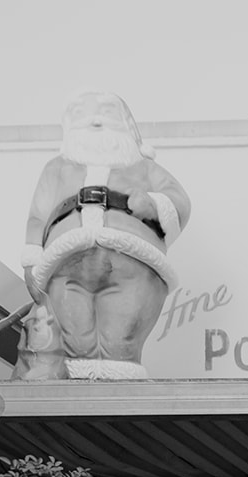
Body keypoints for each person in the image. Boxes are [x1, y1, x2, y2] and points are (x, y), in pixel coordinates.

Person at [14, 90, 191, 381]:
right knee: (75, 338)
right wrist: (32, 257)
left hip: (133, 261)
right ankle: (77, 397)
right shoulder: (56, 169)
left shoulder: (145, 168)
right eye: (84, 114)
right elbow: (37, 215)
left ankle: (118, 395)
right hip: (66, 261)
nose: (95, 120)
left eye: (106, 112)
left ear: (126, 124)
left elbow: (179, 201)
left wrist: (153, 204)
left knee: (121, 341)